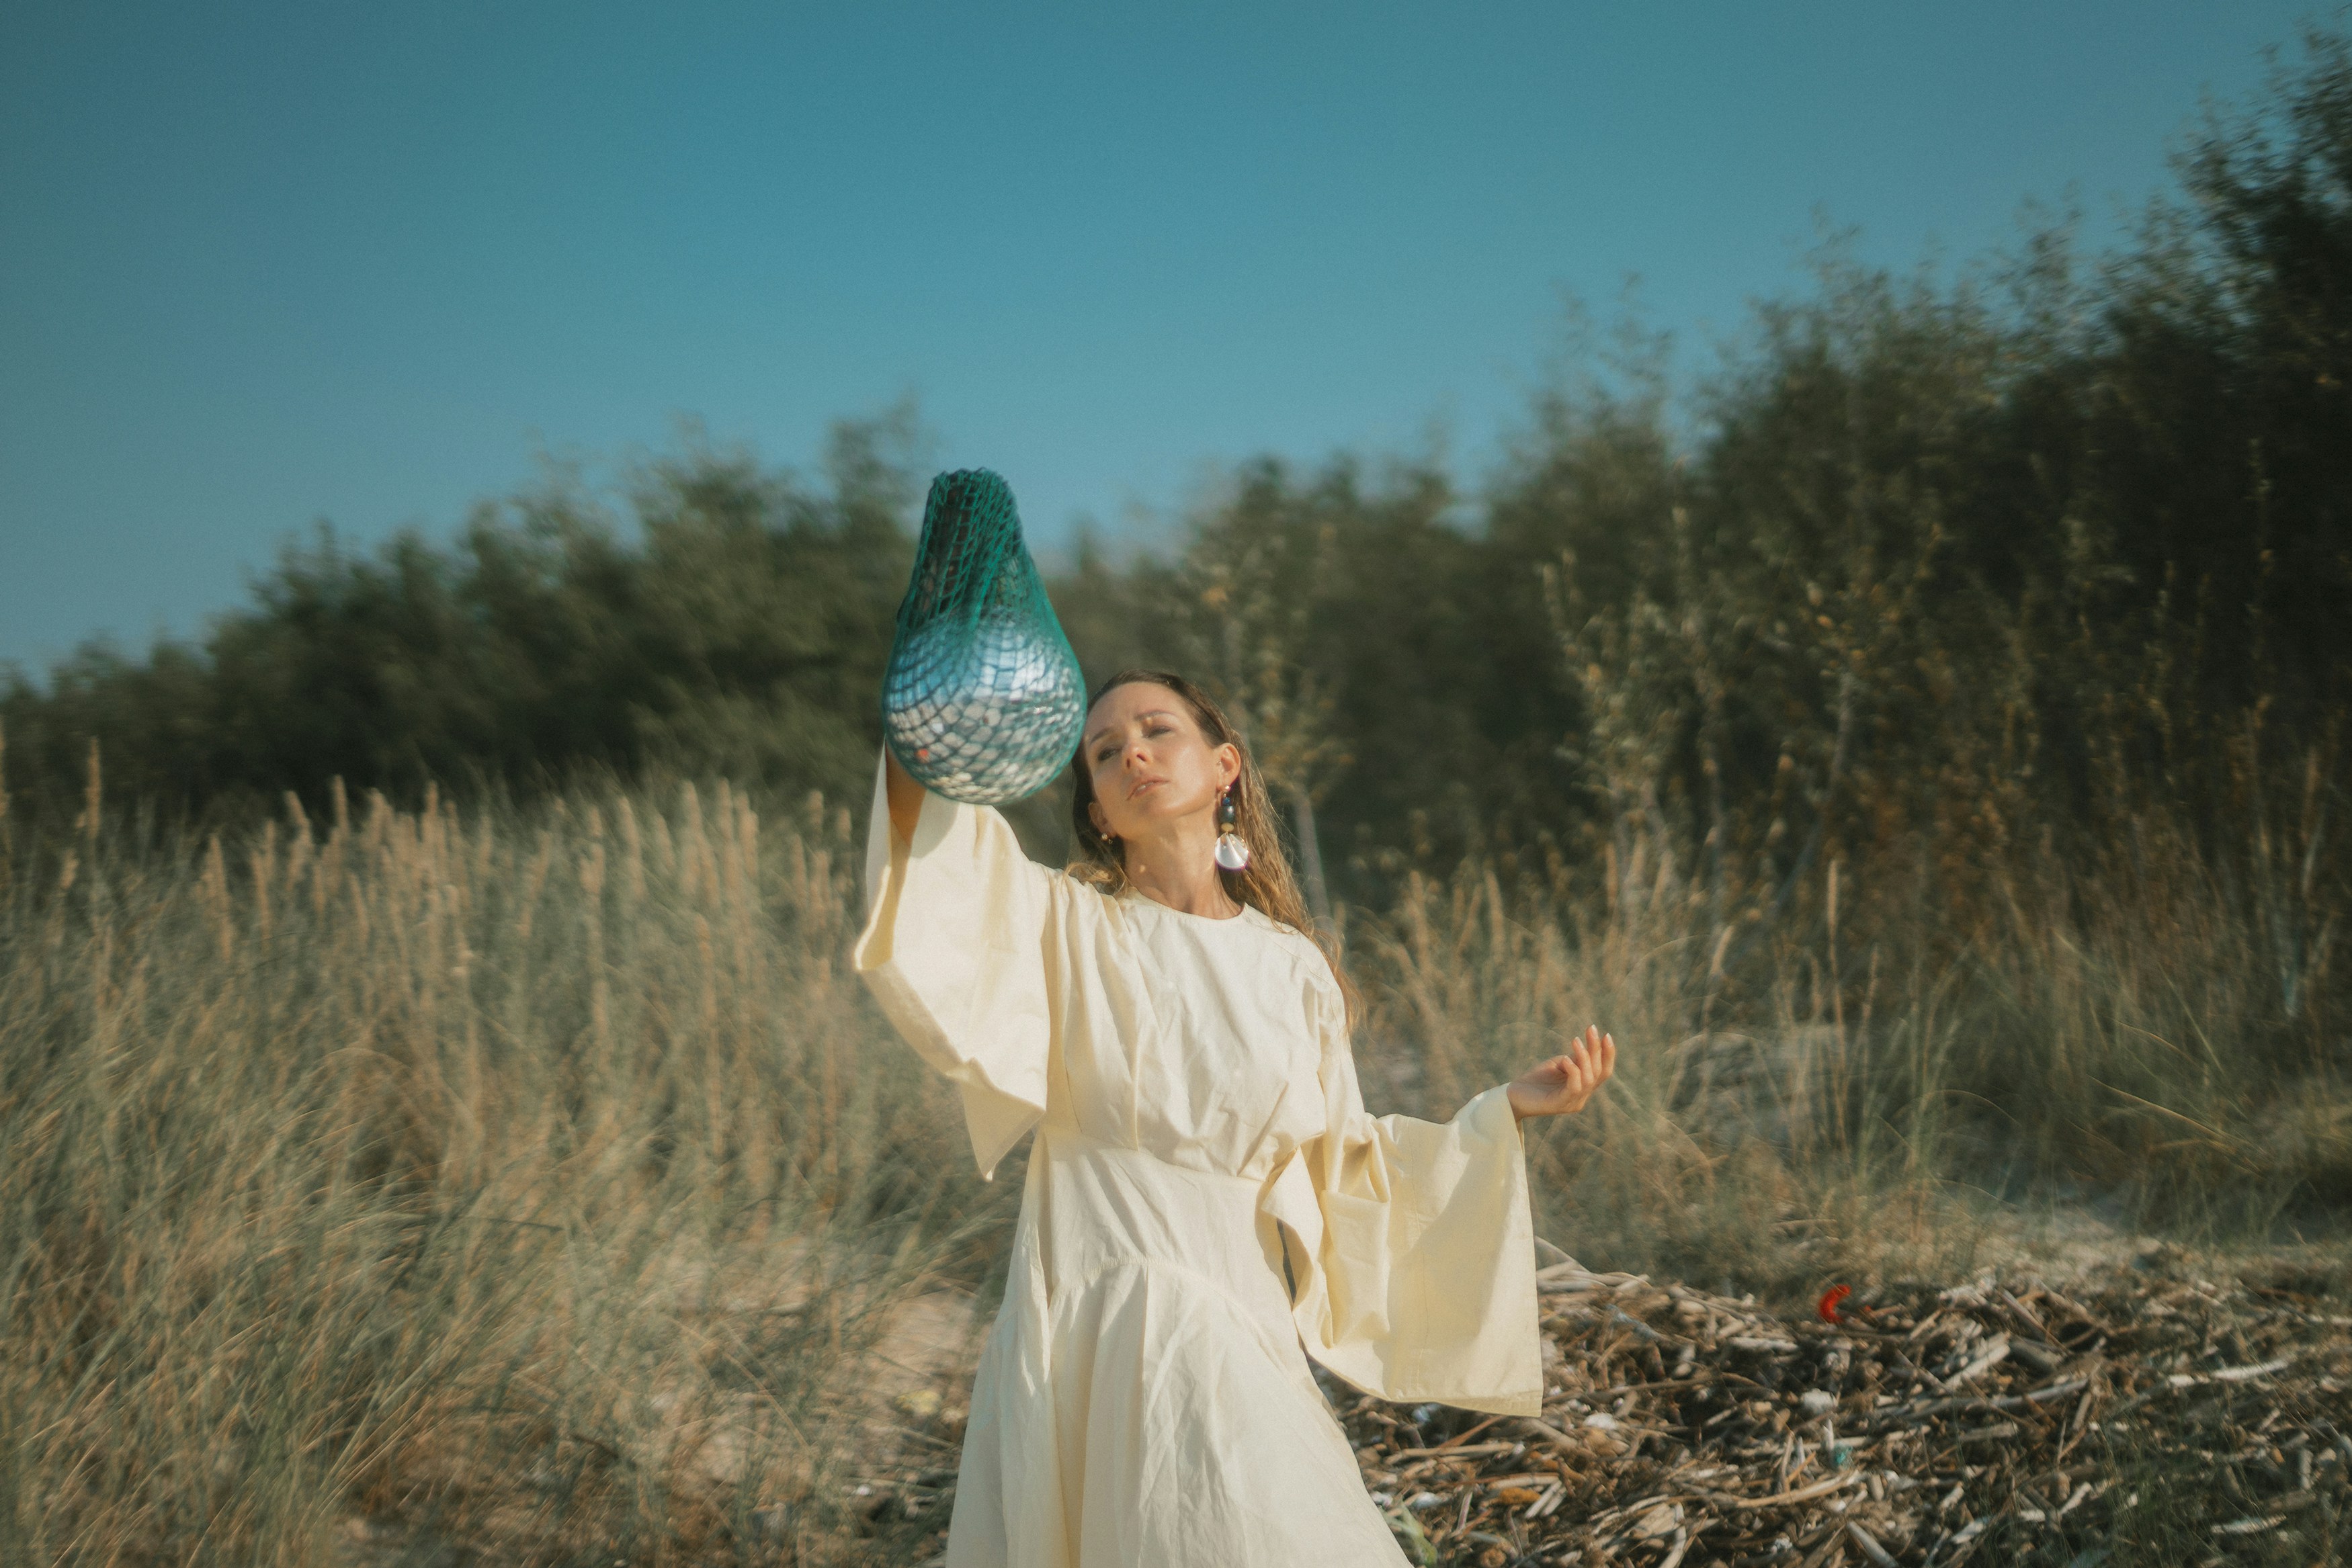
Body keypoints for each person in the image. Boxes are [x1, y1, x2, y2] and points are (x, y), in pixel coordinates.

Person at [855, 668, 1616, 1568]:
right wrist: (917, 741)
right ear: (1099, 810)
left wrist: (1501, 1112)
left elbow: (1342, 1164)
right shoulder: (1065, 924)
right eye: (1104, 751)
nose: (1132, 751)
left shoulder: (1293, 967)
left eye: (1155, 730)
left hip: (1240, 1320)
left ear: (1225, 769)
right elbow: (929, 858)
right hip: (1101, 1303)